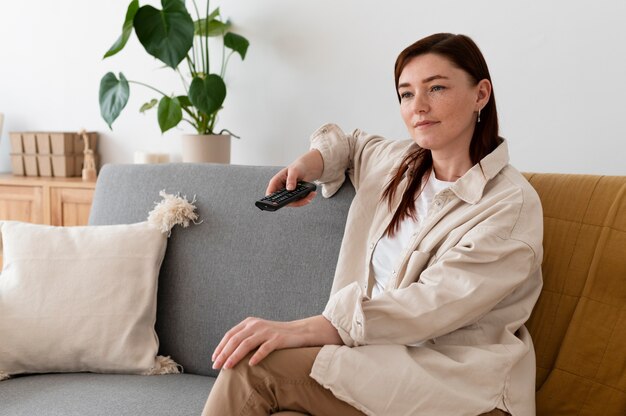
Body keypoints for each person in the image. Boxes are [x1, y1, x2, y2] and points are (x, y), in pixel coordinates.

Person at [202, 33, 543, 416]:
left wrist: (300, 330)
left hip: (456, 385)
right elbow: (348, 145)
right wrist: (307, 165)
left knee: (252, 367)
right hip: (373, 362)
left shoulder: (509, 206)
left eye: (437, 88)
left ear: (481, 95)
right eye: (407, 94)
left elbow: (425, 307)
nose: (420, 106)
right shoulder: (400, 163)